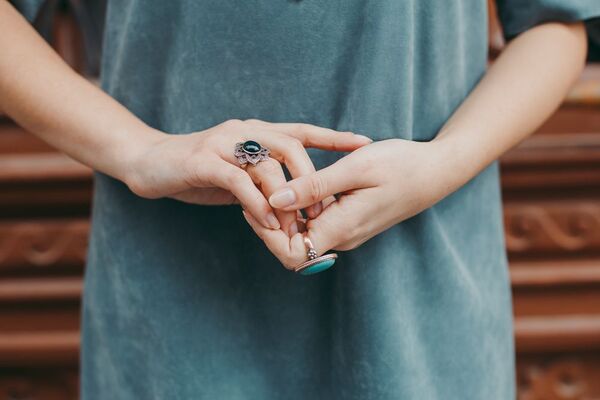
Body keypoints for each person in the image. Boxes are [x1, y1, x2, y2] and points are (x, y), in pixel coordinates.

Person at [2, 1, 598, 399]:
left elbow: (556, 21)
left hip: (421, 302)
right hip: (172, 306)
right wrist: (141, 152)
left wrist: (448, 158)